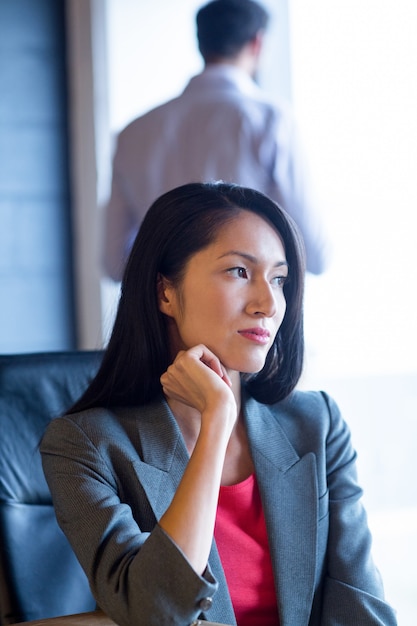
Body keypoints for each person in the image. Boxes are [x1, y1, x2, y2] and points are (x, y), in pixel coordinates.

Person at [41, 182, 396, 626]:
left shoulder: (317, 424)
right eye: (239, 272)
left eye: (279, 279)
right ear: (165, 293)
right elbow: (154, 612)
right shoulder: (85, 444)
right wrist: (215, 424)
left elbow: (361, 607)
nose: (268, 303)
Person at [103, 0, 328, 282]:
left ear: (201, 42)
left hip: (164, 316)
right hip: (249, 314)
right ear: (258, 42)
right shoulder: (271, 121)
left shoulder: (133, 132)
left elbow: (114, 262)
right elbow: (316, 254)